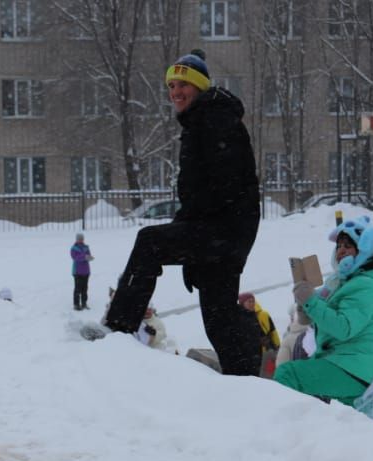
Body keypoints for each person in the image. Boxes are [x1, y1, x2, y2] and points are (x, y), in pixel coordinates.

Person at [101, 48, 261, 376]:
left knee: (150, 242)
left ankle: (117, 328)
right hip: (226, 234)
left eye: (182, 85)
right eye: (171, 87)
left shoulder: (214, 118)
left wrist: (195, 235)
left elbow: (223, 184)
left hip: (223, 231)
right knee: (219, 319)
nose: (175, 93)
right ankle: (246, 378)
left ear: (200, 86)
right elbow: (203, 191)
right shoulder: (204, 119)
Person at [275, 216, 373, 409]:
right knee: (345, 428)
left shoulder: (367, 287)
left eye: (348, 246)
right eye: (338, 246)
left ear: (362, 250)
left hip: (352, 368)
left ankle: (279, 428)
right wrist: (306, 307)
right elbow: (327, 321)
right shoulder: (344, 283)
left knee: (288, 374)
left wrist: (311, 302)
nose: (341, 251)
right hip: (347, 366)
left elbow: (343, 327)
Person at [238, 292, 280, 377]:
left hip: (264, 351)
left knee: (269, 374)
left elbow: (271, 331)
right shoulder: (240, 317)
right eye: (249, 301)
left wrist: (277, 346)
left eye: (253, 301)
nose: (252, 303)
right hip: (250, 356)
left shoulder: (256, 315)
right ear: (242, 303)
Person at [70, 233, 93, 310]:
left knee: (85, 288)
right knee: (77, 288)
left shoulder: (86, 247)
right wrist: (85, 257)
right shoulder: (74, 248)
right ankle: (76, 304)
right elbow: (75, 257)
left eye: (82, 239)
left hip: (86, 271)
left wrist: (89, 257)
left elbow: (89, 255)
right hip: (77, 272)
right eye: (79, 239)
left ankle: (84, 303)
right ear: (76, 240)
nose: (80, 240)